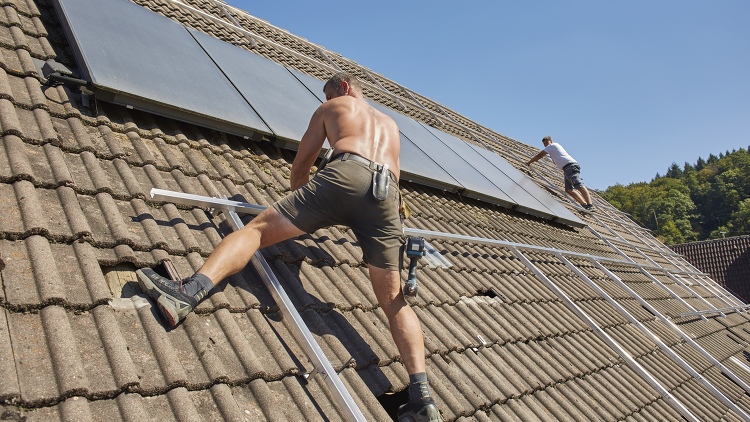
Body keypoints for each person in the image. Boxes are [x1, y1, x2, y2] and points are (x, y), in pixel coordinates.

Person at [136, 72, 441, 422]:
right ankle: (421, 397)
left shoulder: (334, 106)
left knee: (257, 232)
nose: (324, 98)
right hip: (388, 194)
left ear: (342, 88)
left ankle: (188, 291)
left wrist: (305, 206)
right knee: (393, 300)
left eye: (326, 92)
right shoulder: (389, 125)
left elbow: (302, 166)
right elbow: (393, 182)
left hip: (346, 175)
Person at [526, 136, 595, 211]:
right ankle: (584, 205)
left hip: (570, 166)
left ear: (551, 141)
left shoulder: (552, 146)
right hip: (567, 168)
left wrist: (529, 162)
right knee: (569, 190)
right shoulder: (553, 147)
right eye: (544, 144)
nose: (545, 145)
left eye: (546, 142)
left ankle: (590, 205)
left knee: (578, 184)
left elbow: (539, 156)